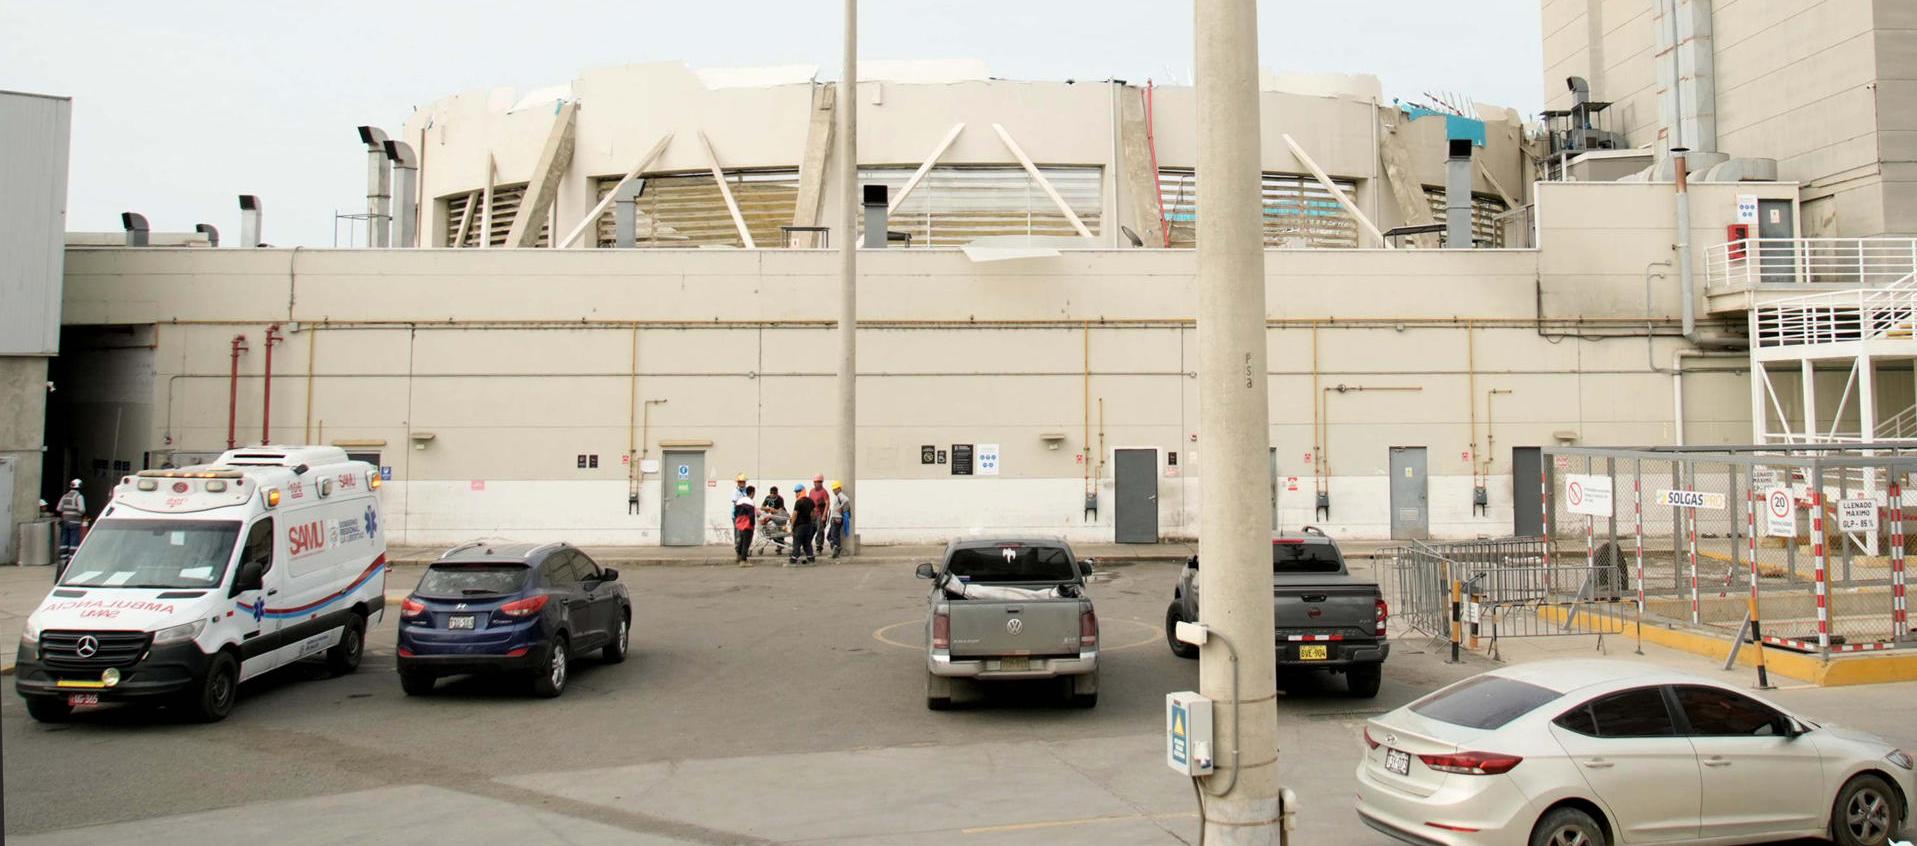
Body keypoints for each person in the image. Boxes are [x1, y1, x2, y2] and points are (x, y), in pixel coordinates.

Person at [789, 482, 818, 565]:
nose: (796, 493)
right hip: (808, 526)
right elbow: (814, 512)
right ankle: (811, 558)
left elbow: (795, 514)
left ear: (802, 491)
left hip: (799, 527)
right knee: (807, 543)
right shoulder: (810, 501)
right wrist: (812, 520)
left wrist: (792, 526)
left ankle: (794, 559)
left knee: (797, 543)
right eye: (796, 492)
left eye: (797, 491)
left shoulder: (799, 502)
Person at [55, 479, 86, 557]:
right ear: (80, 486)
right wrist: (79, 513)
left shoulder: (65, 496)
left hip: (65, 521)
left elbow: (59, 509)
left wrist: (66, 511)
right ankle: (72, 557)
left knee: (64, 539)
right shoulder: (79, 496)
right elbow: (82, 510)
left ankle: (63, 556)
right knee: (74, 539)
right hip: (75, 522)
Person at [759, 486, 789, 555]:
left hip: (780, 516)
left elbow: (781, 510)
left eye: (774, 493)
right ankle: (779, 545)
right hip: (772, 517)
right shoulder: (768, 498)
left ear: (777, 493)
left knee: (780, 531)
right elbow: (762, 507)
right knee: (773, 531)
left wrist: (774, 510)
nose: (772, 494)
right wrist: (768, 508)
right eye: (771, 493)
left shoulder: (780, 499)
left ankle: (780, 546)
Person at [733, 484, 757, 566]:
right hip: (747, 524)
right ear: (752, 493)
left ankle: (738, 556)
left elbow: (735, 512)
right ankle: (743, 561)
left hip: (739, 523)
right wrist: (753, 524)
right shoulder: (750, 502)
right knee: (746, 542)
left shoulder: (740, 500)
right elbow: (751, 515)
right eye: (754, 493)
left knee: (741, 540)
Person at [827, 480, 852, 559]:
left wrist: (841, 508)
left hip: (837, 518)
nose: (834, 491)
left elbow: (846, 499)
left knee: (835, 535)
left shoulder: (840, 495)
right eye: (833, 489)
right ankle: (835, 548)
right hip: (834, 518)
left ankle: (837, 550)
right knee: (829, 536)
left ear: (839, 489)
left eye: (835, 489)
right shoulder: (837, 496)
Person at [808, 474, 831, 554]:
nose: (816, 483)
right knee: (810, 531)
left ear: (821, 482)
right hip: (812, 515)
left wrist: (824, 515)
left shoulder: (824, 492)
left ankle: (819, 547)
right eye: (815, 482)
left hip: (820, 515)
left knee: (819, 531)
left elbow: (827, 503)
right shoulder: (811, 491)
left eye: (818, 482)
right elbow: (809, 502)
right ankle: (807, 547)